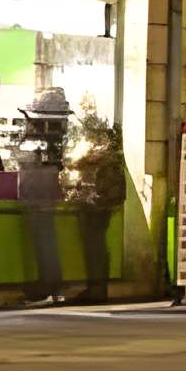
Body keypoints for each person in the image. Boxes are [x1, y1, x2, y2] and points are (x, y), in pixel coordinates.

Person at [16, 87, 71, 305]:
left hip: (37, 196)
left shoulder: (40, 139)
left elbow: (26, 162)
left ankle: (50, 284)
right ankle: (51, 283)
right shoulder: (56, 139)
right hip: (43, 195)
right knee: (46, 240)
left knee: (45, 241)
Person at [64, 102, 123, 303]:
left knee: (95, 247)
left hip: (96, 205)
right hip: (99, 203)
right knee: (96, 247)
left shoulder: (101, 153)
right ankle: (97, 288)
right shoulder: (107, 151)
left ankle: (97, 289)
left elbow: (76, 162)